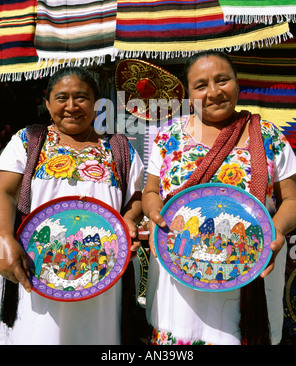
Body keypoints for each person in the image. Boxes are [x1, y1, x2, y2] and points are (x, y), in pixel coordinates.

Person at [142, 50, 296, 345]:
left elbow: (290, 200)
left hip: (250, 268)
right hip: (180, 268)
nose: (213, 92)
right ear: (188, 93)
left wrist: (276, 232)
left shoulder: (267, 135)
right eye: (201, 85)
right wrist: (154, 215)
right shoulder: (168, 136)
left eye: (222, 80)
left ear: (237, 84)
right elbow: (151, 192)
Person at [0, 66, 144, 345]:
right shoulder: (27, 141)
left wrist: (129, 220)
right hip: (37, 269)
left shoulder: (118, 148)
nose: (71, 106)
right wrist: (4, 238)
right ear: (47, 103)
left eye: (81, 97)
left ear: (96, 103)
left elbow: (135, 198)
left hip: (102, 271)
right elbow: (4, 192)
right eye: (61, 97)